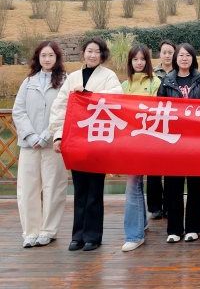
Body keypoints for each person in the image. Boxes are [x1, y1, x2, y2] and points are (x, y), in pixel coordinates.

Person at [49, 37, 122, 252]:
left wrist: (89, 96)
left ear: (102, 54)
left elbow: (117, 97)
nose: (92, 55)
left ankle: (93, 235)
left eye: (96, 51)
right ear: (83, 53)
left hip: (99, 139)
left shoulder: (109, 76)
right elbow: (59, 107)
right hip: (76, 140)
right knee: (79, 189)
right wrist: (58, 136)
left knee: (95, 189)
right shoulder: (72, 78)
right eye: (89, 51)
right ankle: (77, 235)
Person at [13, 41, 68, 249]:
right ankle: (30, 232)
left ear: (57, 58)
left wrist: (46, 135)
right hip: (29, 145)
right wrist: (30, 136)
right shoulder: (28, 82)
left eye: (51, 55)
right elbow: (18, 111)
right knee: (27, 189)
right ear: (38, 58)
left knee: (53, 188)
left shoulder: (65, 81)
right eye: (43, 55)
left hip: (53, 144)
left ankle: (48, 231)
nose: (47, 59)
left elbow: (65, 111)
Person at [158, 43, 200, 243]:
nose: (184, 58)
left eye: (188, 55)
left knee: (195, 185)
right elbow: (160, 109)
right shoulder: (167, 81)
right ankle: (174, 229)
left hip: (195, 141)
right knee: (173, 186)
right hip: (173, 141)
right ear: (175, 58)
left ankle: (193, 228)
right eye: (181, 55)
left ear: (193, 58)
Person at [120, 44, 161, 252]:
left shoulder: (156, 82)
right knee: (134, 183)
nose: (139, 63)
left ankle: (134, 235)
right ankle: (140, 224)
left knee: (133, 183)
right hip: (129, 141)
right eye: (135, 59)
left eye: (142, 59)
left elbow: (157, 111)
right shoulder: (124, 85)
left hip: (148, 140)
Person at [149, 39, 175, 221]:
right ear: (160, 54)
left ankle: (169, 205)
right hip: (155, 124)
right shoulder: (152, 74)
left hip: (173, 124)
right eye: (164, 52)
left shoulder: (179, 72)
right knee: (154, 168)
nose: (167, 55)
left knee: (171, 168)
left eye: (170, 52)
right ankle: (155, 206)